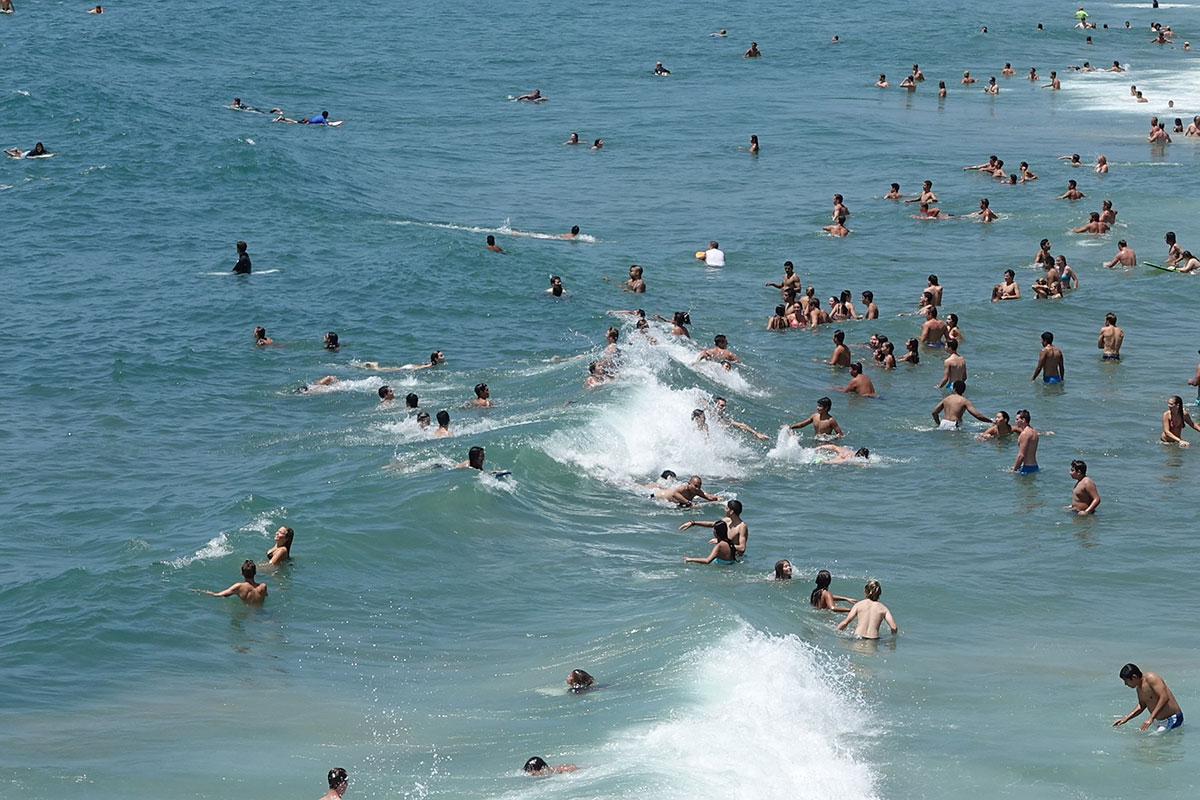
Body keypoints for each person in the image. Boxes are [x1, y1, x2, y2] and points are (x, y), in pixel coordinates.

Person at [1114, 665, 1183, 732]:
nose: (1125, 684)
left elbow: (1164, 697)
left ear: (1134, 677)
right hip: (1158, 721)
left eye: (1126, 680)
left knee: (1155, 740)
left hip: (1172, 718)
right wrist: (1126, 718)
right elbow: (1142, 705)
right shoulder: (1139, 688)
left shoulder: (1151, 678)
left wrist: (1151, 718)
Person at [679, 499, 748, 557]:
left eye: (727, 508)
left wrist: (721, 543)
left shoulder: (742, 527)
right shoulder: (727, 520)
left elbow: (742, 548)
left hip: (735, 559)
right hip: (724, 556)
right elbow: (712, 524)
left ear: (731, 511)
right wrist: (693, 523)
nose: (724, 510)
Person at [202, 560, 267, 604]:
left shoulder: (239, 587)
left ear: (242, 573)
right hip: (261, 612)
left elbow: (221, 595)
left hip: (249, 614)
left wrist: (210, 593)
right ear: (255, 572)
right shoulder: (263, 586)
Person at [653, 475, 722, 507]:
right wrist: (688, 502)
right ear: (689, 484)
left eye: (699, 486)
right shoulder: (684, 488)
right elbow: (674, 494)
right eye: (695, 486)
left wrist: (718, 499)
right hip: (657, 496)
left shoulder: (696, 491)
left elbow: (709, 497)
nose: (697, 488)